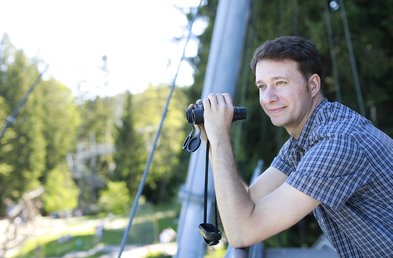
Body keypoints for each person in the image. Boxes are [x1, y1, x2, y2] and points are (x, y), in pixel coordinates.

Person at [195, 35, 393, 257]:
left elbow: (242, 232)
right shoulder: (303, 142)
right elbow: (246, 202)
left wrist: (221, 139)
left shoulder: (337, 143)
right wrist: (212, 141)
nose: (268, 98)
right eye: (262, 86)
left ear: (313, 85)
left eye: (280, 83)